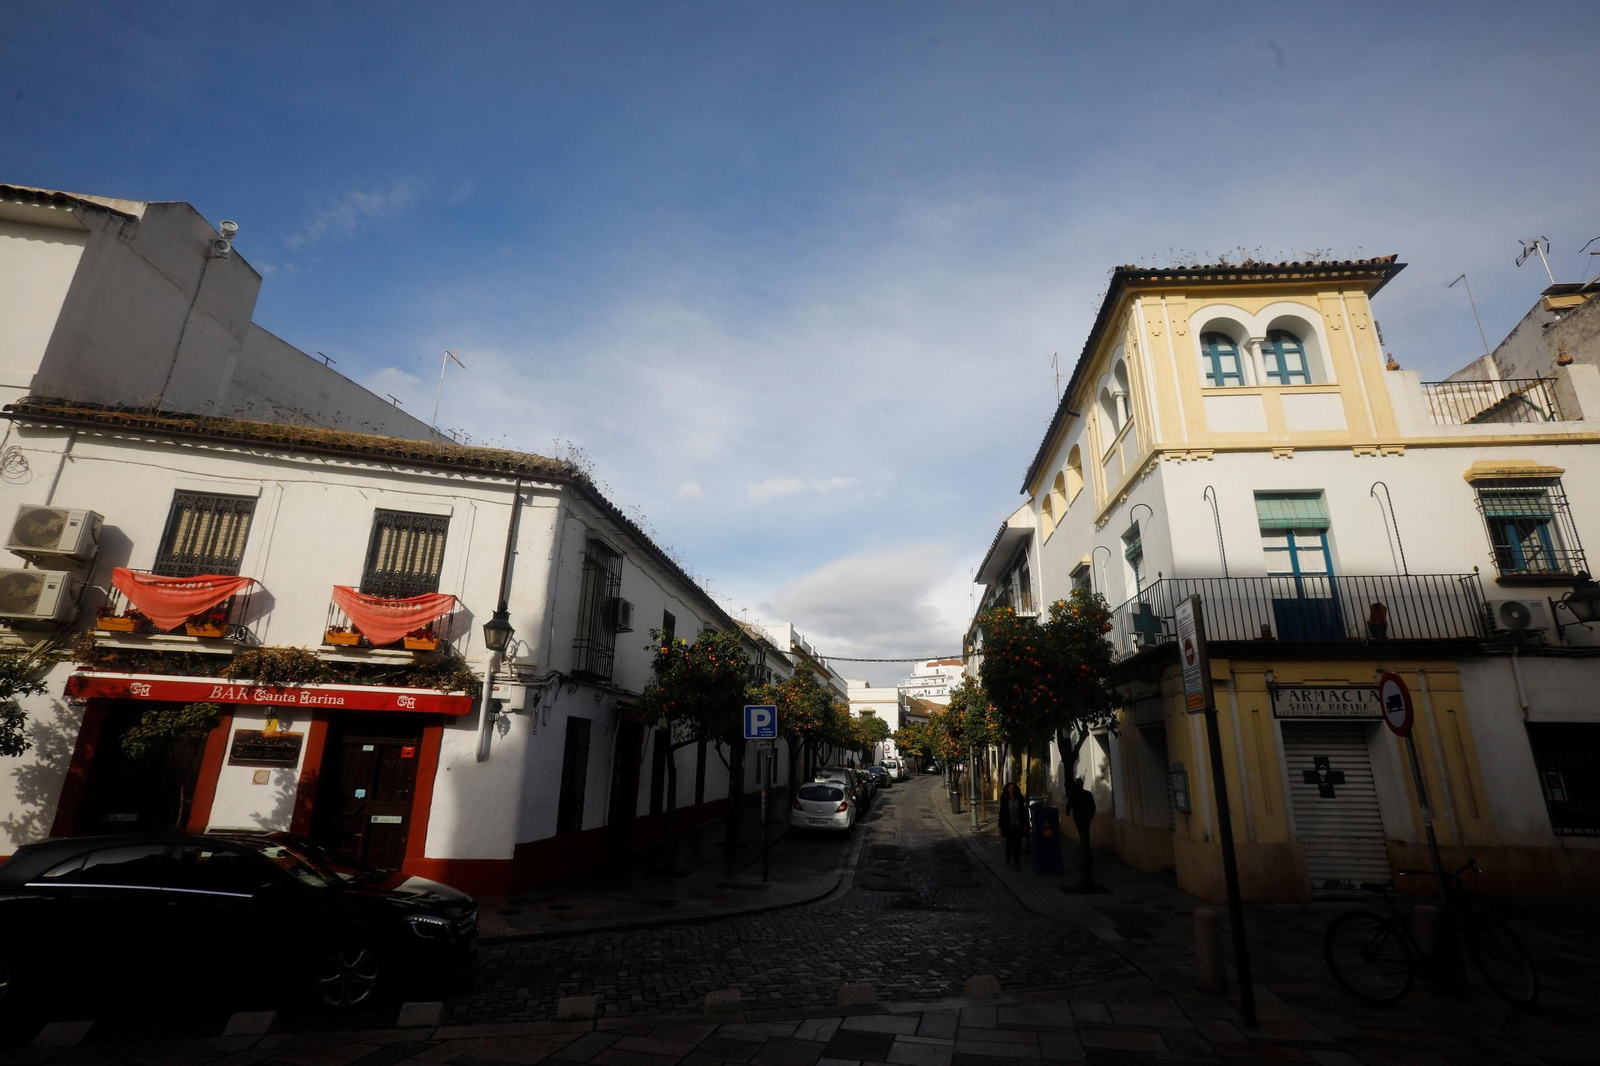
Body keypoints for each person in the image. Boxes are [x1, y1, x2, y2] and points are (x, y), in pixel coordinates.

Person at [1066, 777, 1098, 889]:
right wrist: (1090, 816)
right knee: (1085, 833)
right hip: (1085, 819)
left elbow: (1069, 805)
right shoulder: (1087, 794)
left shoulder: (1074, 794)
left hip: (1079, 819)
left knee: (1083, 834)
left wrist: (1067, 812)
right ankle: (1085, 849)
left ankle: (1084, 850)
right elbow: (1093, 807)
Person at [997, 782, 1029, 869]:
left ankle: (1016, 861)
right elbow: (1002, 813)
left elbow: (1023, 812)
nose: (1011, 790)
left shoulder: (1019, 799)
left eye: (1013, 788)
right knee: (1009, 844)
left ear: (1015, 789)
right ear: (1007, 790)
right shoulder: (1004, 799)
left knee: (1018, 844)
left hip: (1018, 825)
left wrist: (1025, 824)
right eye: (1010, 788)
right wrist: (1000, 825)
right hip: (1008, 825)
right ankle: (1008, 857)